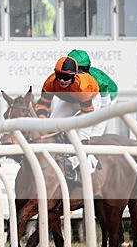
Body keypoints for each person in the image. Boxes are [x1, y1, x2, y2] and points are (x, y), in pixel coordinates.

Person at [35, 54, 101, 183]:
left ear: (74, 76)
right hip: (69, 100)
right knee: (50, 126)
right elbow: (42, 105)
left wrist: (67, 127)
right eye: (59, 76)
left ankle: (80, 166)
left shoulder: (83, 86)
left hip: (90, 101)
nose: (62, 81)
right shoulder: (50, 82)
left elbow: (86, 114)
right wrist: (43, 121)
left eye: (66, 77)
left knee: (81, 133)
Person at [69, 49, 118, 136]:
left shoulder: (96, 79)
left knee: (96, 128)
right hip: (85, 95)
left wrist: (102, 112)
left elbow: (104, 94)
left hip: (106, 94)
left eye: (82, 69)